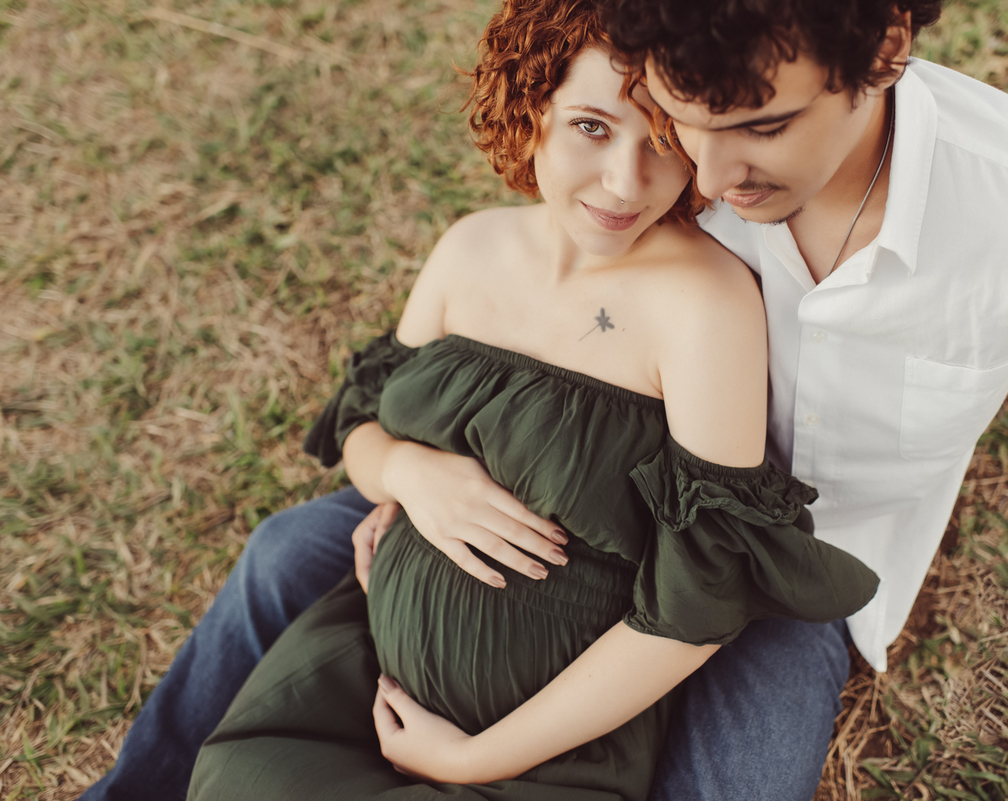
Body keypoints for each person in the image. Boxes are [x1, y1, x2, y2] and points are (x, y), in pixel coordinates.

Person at [80, 0, 1008, 799]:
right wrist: (412, 473)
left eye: (760, 128)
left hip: (765, 582)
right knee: (287, 552)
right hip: (555, 477)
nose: (703, 182)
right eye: (679, 123)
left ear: (887, 53)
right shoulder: (641, 161)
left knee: (739, 778)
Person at [179, 0, 877, 798]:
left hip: (551, 750)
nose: (625, 181)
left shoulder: (704, 304)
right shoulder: (470, 249)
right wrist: (409, 472)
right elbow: (359, 422)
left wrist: (479, 759)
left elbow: (703, 595)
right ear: (530, 100)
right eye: (590, 126)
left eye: (661, 141)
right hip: (364, 680)